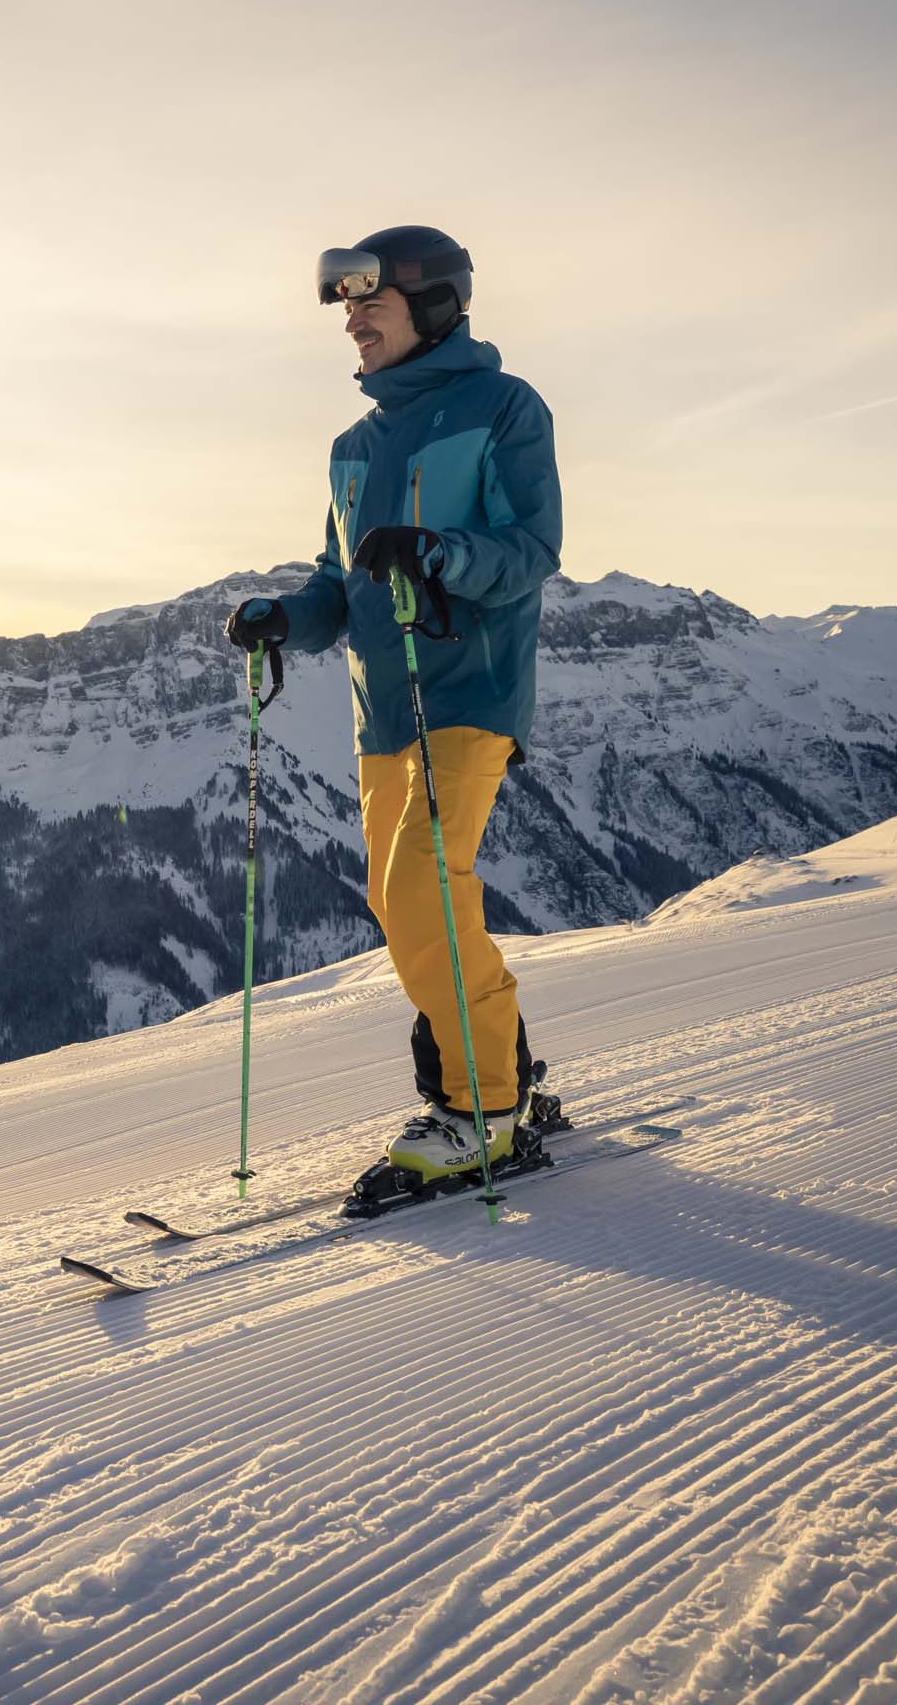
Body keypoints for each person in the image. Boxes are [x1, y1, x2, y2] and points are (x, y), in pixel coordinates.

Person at [222, 227, 564, 1181]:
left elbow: (531, 548)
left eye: (369, 305)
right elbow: (340, 581)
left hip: (470, 691)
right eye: (344, 308)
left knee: (420, 888)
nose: (352, 324)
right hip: (384, 709)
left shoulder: (502, 408)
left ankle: (481, 1110)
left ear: (437, 304)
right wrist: (284, 617)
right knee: (402, 900)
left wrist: (440, 553)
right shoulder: (353, 444)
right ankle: (510, 1070)